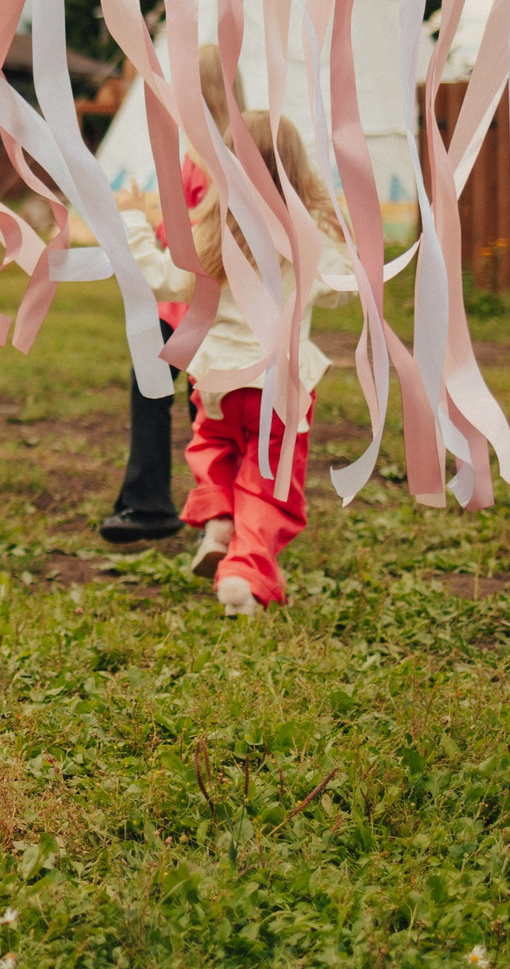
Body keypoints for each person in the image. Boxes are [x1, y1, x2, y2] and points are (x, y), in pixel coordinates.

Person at [116, 112, 349, 617]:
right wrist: (341, 228)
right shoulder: (305, 240)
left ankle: (220, 523)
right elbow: (342, 290)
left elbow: (163, 280)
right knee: (270, 479)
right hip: (279, 386)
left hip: (218, 382)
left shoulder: (212, 234)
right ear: (297, 169)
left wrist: (134, 218)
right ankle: (243, 576)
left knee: (216, 449)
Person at [99, 46, 230, 545]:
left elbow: (200, 240)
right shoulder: (199, 151)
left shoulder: (217, 157)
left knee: (207, 411)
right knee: (157, 397)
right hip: (175, 313)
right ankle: (150, 501)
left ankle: (213, 515)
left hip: (202, 314)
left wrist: (142, 215)